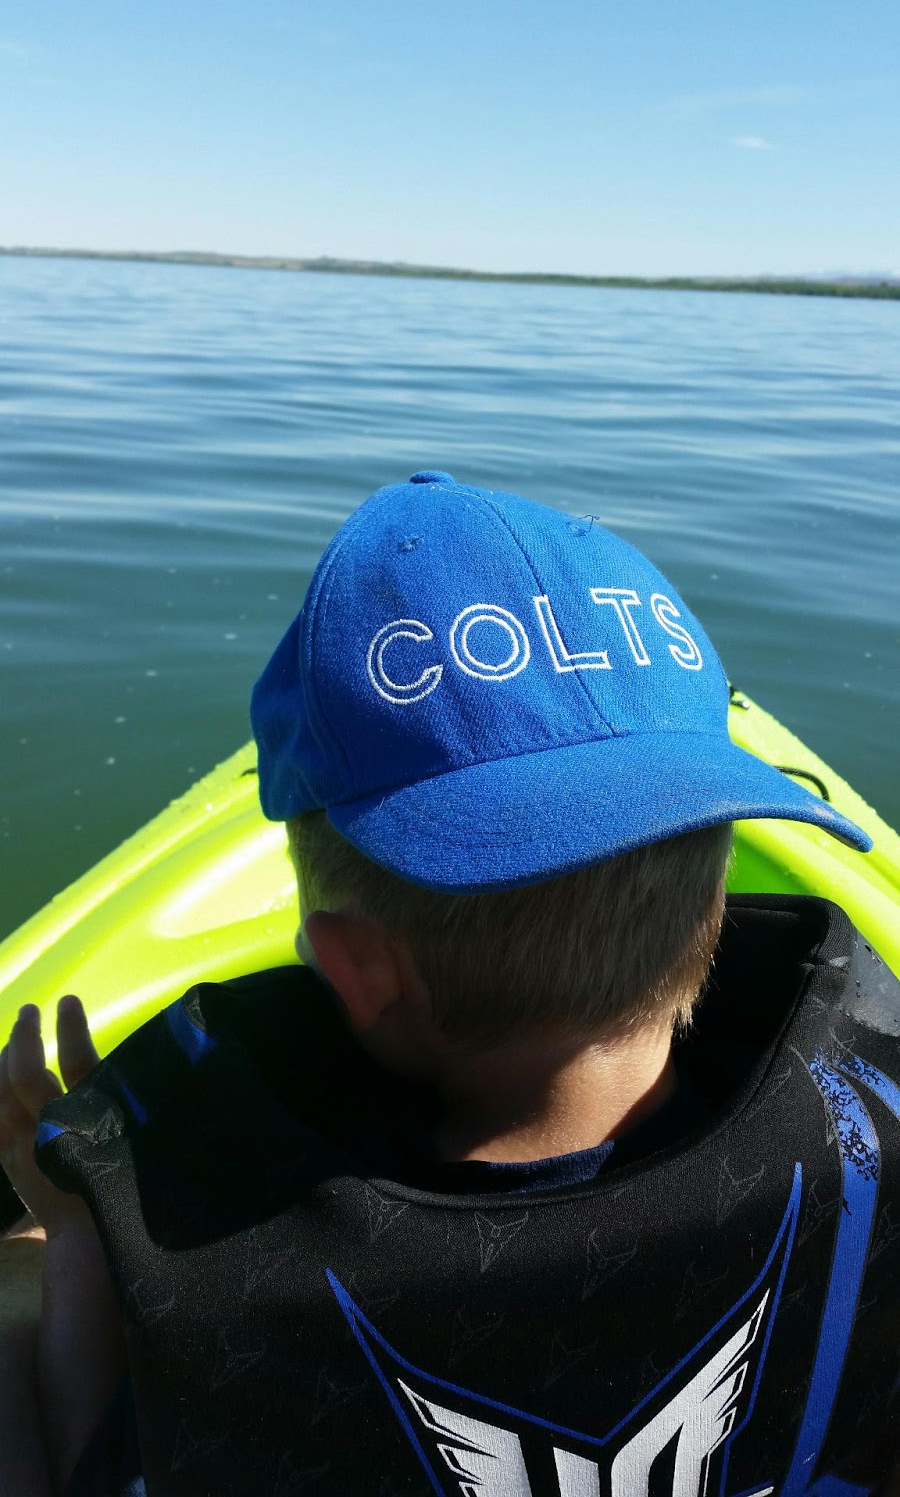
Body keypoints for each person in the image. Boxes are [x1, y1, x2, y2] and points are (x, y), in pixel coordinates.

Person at [1, 470, 898, 1497]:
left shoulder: (214, 1269)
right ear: (715, 905)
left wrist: (72, 1229)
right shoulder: (870, 1144)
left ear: (354, 968)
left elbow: (94, 1458)